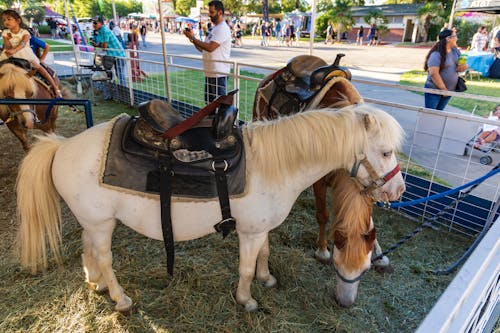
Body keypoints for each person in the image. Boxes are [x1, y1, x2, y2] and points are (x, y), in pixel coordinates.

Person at [0, 10, 61, 97]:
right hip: (10, 55)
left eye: (9, 19)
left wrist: (14, 50)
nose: (6, 22)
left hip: (24, 54)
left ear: (18, 21)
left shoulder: (25, 32)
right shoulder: (5, 32)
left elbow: (23, 43)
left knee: (39, 68)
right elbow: (7, 47)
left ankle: (55, 88)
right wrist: (8, 40)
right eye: (4, 20)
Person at [183, 0, 231, 104]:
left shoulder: (222, 28)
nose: (209, 15)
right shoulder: (214, 29)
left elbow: (210, 47)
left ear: (220, 13)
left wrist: (193, 38)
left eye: (212, 12)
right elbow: (202, 48)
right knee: (209, 104)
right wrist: (192, 38)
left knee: (220, 105)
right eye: (209, 12)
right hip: (211, 72)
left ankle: (221, 120)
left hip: (219, 73)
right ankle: (211, 120)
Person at [423, 29, 468, 111]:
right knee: (430, 115)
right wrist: (444, 90)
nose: (457, 38)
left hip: (449, 91)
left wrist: (464, 66)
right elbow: (434, 74)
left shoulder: (456, 51)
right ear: (448, 38)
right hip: (435, 90)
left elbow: (458, 69)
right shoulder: (436, 54)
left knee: (440, 114)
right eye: (455, 36)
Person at [91, 16, 127, 95]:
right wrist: (97, 45)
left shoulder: (104, 31)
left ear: (101, 23)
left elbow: (104, 47)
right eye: (93, 23)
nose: (93, 25)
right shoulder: (100, 31)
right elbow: (102, 44)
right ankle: (115, 92)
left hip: (118, 55)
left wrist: (98, 45)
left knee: (120, 75)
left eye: (95, 23)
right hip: (112, 55)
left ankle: (125, 93)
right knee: (111, 74)